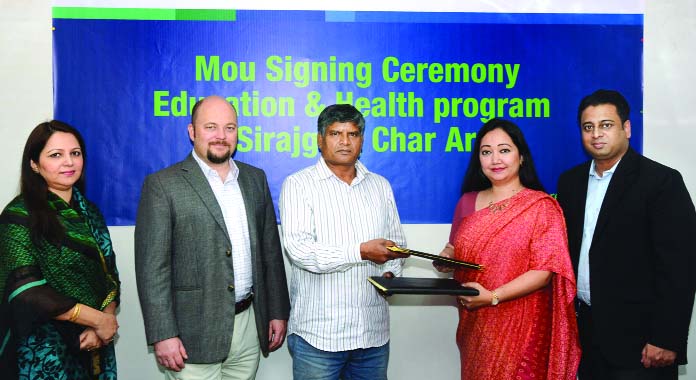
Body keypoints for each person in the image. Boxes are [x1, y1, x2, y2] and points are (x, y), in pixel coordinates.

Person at [134, 95, 290, 379]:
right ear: (192, 132)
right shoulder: (162, 185)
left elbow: (270, 252)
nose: (221, 136)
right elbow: (152, 269)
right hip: (191, 334)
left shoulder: (255, 179)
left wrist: (277, 311)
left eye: (229, 128)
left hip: (248, 328)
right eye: (211, 127)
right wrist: (162, 333)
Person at [557, 89, 696, 379]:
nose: (597, 134)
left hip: (642, 343)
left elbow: (680, 267)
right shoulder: (570, 183)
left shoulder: (661, 182)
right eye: (588, 127)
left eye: (606, 125)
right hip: (586, 337)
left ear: (627, 128)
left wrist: (667, 338)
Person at [436, 118, 580, 379]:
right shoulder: (467, 202)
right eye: (486, 152)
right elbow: (456, 246)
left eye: (504, 150)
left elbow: (545, 270)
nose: (495, 159)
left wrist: (493, 296)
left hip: (524, 327)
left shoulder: (541, 207)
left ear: (521, 156)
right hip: (476, 327)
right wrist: (448, 257)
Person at [279, 104, 408, 380]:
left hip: (371, 334)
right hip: (319, 337)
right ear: (320, 139)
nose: (345, 142)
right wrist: (360, 252)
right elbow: (300, 251)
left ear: (362, 141)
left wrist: (391, 275)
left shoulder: (380, 185)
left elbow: (396, 244)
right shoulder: (299, 185)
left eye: (353, 134)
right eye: (336, 133)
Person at [0, 120, 120, 379]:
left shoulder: (91, 213)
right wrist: (97, 320)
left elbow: (109, 275)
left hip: (95, 345)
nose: (69, 162)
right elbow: (27, 290)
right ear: (34, 164)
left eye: (75, 153)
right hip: (44, 349)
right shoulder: (18, 217)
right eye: (56, 155)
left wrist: (103, 324)